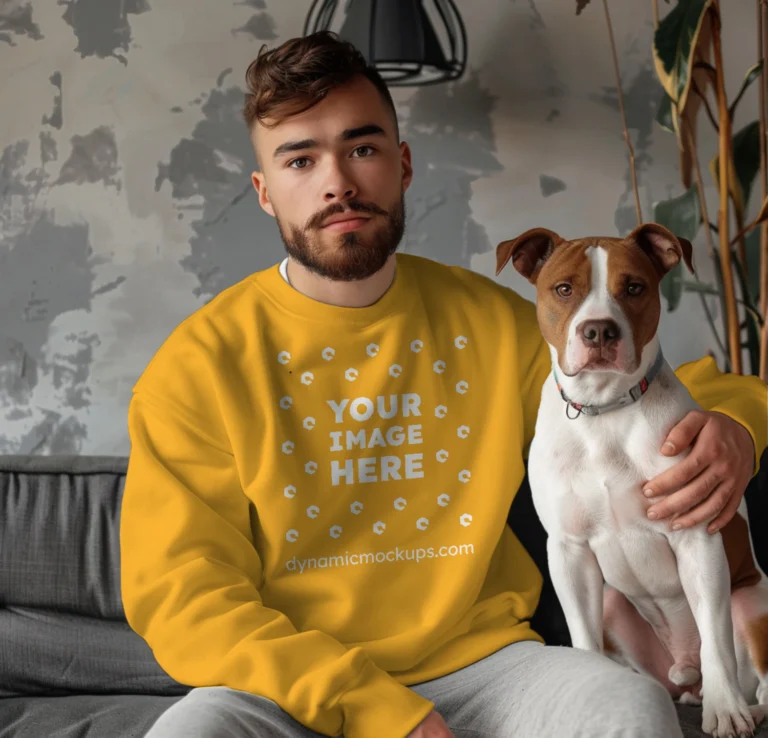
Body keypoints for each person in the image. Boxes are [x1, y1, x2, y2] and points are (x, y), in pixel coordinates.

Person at [121, 31, 766, 738]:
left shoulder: (492, 322)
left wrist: (735, 430)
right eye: (300, 159)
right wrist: (373, 708)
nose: (337, 181)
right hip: (285, 688)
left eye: (361, 148)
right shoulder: (198, 364)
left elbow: (655, 386)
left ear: (401, 165)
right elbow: (183, 597)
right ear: (265, 192)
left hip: (488, 669)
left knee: (629, 710)